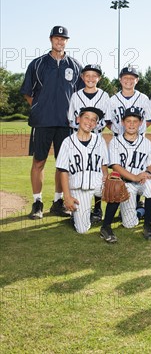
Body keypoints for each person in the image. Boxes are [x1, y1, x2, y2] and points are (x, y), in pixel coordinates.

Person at [20, 25, 83, 220]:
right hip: (43, 122)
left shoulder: (75, 65)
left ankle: (58, 202)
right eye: (57, 38)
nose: (60, 41)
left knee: (62, 164)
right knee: (39, 161)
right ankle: (37, 202)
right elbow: (27, 92)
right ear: (50, 40)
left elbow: (80, 95)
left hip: (66, 124)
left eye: (63, 39)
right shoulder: (38, 64)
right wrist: (40, 107)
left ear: (67, 41)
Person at [100, 107, 151, 243]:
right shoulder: (115, 142)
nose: (132, 124)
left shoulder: (146, 142)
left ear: (140, 123)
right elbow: (115, 165)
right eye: (128, 121)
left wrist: (148, 173)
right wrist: (134, 177)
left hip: (142, 182)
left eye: (135, 121)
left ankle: (148, 225)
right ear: (122, 122)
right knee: (129, 223)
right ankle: (107, 225)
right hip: (124, 184)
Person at [67, 64, 110, 224]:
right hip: (77, 140)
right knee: (76, 171)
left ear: (99, 78)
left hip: (97, 139)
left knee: (98, 172)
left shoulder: (104, 96)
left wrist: (92, 129)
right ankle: (74, 207)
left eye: (95, 76)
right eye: (87, 75)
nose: (91, 79)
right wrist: (82, 130)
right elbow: (71, 119)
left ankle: (97, 209)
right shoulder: (76, 96)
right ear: (82, 77)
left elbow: (106, 119)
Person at [56, 107, 108, 234]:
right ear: (78, 119)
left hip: (97, 184)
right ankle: (76, 215)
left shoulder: (99, 140)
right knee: (82, 229)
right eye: (86, 118)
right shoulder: (67, 142)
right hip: (79, 188)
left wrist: (106, 178)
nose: (89, 122)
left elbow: (104, 164)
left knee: (118, 190)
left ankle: (108, 224)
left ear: (96, 124)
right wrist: (67, 197)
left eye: (93, 120)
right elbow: (63, 171)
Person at [108, 67, 151, 137]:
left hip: (139, 138)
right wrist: (117, 130)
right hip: (118, 138)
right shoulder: (112, 100)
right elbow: (107, 120)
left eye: (132, 78)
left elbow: (150, 118)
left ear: (137, 80)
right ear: (120, 79)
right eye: (125, 78)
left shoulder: (144, 98)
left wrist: (138, 130)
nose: (128, 80)